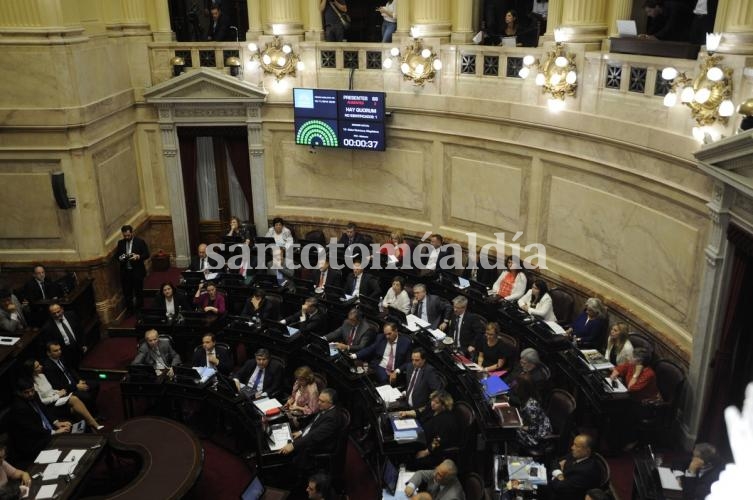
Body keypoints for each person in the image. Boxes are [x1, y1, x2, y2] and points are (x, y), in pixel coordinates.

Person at [23, 359, 103, 431]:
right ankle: (93, 423)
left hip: (57, 400)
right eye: (37, 366)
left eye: (39, 364)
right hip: (50, 406)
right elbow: (42, 401)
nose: (41, 366)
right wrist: (57, 396)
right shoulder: (32, 385)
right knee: (74, 400)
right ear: (31, 370)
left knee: (75, 408)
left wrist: (58, 391)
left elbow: (50, 390)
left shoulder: (42, 375)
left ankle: (90, 428)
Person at [279, 388, 343, 474]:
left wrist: (293, 445)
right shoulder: (325, 408)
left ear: (331, 403)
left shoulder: (332, 418)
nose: (318, 403)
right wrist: (301, 431)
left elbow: (314, 436)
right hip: (309, 436)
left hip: (318, 446)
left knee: (286, 452)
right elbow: (313, 423)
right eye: (319, 400)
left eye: (322, 401)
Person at [9, 378, 72, 462]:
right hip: (34, 441)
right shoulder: (19, 408)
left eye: (32, 390)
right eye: (26, 392)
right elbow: (32, 429)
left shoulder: (34, 395)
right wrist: (54, 432)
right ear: (19, 393)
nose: (31, 394)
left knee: (69, 428)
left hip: (44, 431)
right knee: (63, 441)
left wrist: (57, 422)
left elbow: (44, 410)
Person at [400, 390, 459, 470]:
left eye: (436, 402)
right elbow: (420, 411)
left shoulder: (446, 420)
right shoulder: (431, 408)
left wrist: (426, 452)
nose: (432, 403)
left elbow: (438, 440)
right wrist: (407, 413)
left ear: (444, 405)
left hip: (434, 451)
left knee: (412, 461)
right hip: (421, 438)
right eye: (432, 400)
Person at [42, 341, 98, 409]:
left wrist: (79, 380)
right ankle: (92, 412)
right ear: (48, 353)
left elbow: (71, 369)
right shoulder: (48, 367)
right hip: (67, 389)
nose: (59, 352)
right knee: (86, 396)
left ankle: (89, 406)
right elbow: (57, 385)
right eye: (56, 351)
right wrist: (76, 386)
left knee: (95, 385)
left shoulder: (61, 358)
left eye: (60, 349)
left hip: (75, 383)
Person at [550, 434, 602, 500]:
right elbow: (555, 461)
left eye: (576, 446)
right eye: (573, 444)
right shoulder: (577, 455)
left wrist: (557, 472)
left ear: (587, 450)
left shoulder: (587, 471)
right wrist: (559, 474)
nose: (572, 447)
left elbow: (559, 487)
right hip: (557, 487)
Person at [115, 224, 149, 312]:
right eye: (125, 236)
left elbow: (146, 254)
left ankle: (140, 309)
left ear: (132, 233)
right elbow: (117, 256)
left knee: (138, 292)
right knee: (127, 293)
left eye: (128, 235)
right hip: (126, 272)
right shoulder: (120, 243)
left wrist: (138, 257)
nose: (127, 237)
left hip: (137, 271)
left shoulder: (140, 242)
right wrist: (121, 257)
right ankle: (130, 310)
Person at [40, 303, 86, 368]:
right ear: (50, 314)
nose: (57, 315)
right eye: (54, 313)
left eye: (58, 311)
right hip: (65, 354)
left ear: (62, 309)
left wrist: (83, 344)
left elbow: (80, 330)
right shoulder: (47, 327)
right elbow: (51, 344)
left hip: (78, 348)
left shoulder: (71, 315)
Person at [513, 374, 552, 448]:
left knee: (513, 431)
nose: (514, 386)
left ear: (522, 388)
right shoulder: (526, 397)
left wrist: (521, 427)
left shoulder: (530, 407)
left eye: (517, 384)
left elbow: (535, 427)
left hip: (539, 434)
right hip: (532, 424)